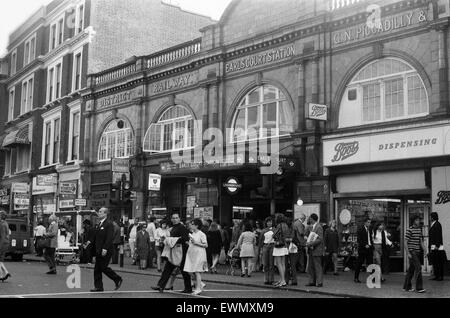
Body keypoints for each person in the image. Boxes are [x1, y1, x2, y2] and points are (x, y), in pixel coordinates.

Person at [152, 214, 193, 294]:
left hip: (181, 252)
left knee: (184, 271)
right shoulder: (173, 228)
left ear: (179, 218)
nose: (175, 219)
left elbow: (185, 238)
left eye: (176, 218)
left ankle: (188, 288)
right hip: (174, 251)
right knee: (168, 269)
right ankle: (160, 285)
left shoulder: (181, 227)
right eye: (173, 218)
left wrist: (172, 240)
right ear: (171, 219)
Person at [89, 207, 123, 292]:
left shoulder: (109, 224)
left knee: (103, 267)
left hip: (106, 250)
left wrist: (105, 248)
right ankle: (99, 287)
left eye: (100, 212)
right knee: (97, 269)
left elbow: (109, 237)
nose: (99, 213)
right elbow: (96, 237)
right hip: (98, 250)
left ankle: (117, 278)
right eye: (99, 211)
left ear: (105, 214)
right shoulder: (99, 224)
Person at [184, 219, 209, 295]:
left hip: (199, 254)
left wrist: (196, 243)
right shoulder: (193, 233)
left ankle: (198, 289)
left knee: (197, 271)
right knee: (189, 270)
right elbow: (193, 243)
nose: (190, 225)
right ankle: (200, 283)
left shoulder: (202, 234)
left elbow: (206, 245)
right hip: (192, 254)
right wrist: (189, 243)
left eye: (192, 224)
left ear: (197, 225)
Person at [403, 215, 426, 293]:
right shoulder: (409, 230)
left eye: (418, 220)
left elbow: (421, 242)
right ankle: (419, 288)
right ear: (413, 221)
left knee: (411, 270)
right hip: (412, 252)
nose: (418, 221)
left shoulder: (419, 230)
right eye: (416, 220)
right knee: (419, 267)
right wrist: (408, 253)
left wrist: (425, 250)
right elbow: (405, 242)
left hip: (417, 251)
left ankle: (407, 287)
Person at [272, 214, 292, 288]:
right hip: (285, 245)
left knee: (278, 263)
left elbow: (274, 235)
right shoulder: (286, 225)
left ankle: (282, 280)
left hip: (278, 246)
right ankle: (282, 280)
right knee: (283, 264)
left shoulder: (278, 226)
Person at [305, 214, 324, 288]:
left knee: (317, 266)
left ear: (312, 219)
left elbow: (320, 239)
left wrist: (310, 244)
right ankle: (312, 281)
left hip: (316, 249)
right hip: (311, 250)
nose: (309, 219)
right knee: (311, 266)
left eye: (309, 218)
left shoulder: (319, 227)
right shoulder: (311, 227)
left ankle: (319, 282)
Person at [354, 218, 373, 283]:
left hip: (369, 248)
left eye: (370, 222)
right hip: (362, 249)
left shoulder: (370, 229)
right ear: (365, 222)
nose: (369, 224)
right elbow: (359, 239)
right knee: (359, 263)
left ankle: (373, 278)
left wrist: (371, 245)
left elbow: (371, 238)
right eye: (368, 222)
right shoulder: (360, 229)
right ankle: (356, 278)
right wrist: (365, 245)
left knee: (370, 263)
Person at [429, 212, 445, 281]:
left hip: (437, 246)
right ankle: (436, 275)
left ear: (432, 217)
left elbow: (438, 236)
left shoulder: (437, 224)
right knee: (435, 260)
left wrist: (437, 246)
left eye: (430, 217)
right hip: (434, 245)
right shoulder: (434, 224)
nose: (430, 218)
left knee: (439, 261)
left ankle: (440, 276)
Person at [259, 217, 275, 285]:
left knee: (271, 263)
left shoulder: (275, 230)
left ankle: (271, 279)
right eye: (268, 222)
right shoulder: (263, 230)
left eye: (270, 222)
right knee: (265, 263)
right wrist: (260, 249)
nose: (269, 223)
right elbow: (260, 240)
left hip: (272, 246)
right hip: (265, 246)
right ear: (266, 223)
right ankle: (266, 278)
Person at [0, 210, 12, 282]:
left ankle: (1, 275)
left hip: (2, 243)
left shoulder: (2, 224)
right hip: (6, 243)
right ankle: (5, 272)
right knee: (0, 260)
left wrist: (0, 246)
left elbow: (2, 236)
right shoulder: (6, 223)